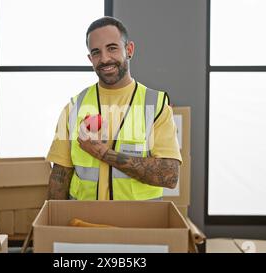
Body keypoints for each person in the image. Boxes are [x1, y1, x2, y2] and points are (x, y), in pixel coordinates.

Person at [47, 16, 182, 200]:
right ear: (90, 58)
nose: (104, 59)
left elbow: (170, 175)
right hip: (83, 222)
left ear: (129, 50)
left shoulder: (156, 105)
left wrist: (104, 153)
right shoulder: (74, 108)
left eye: (112, 48)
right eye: (96, 52)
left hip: (139, 224)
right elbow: (59, 176)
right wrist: (51, 225)